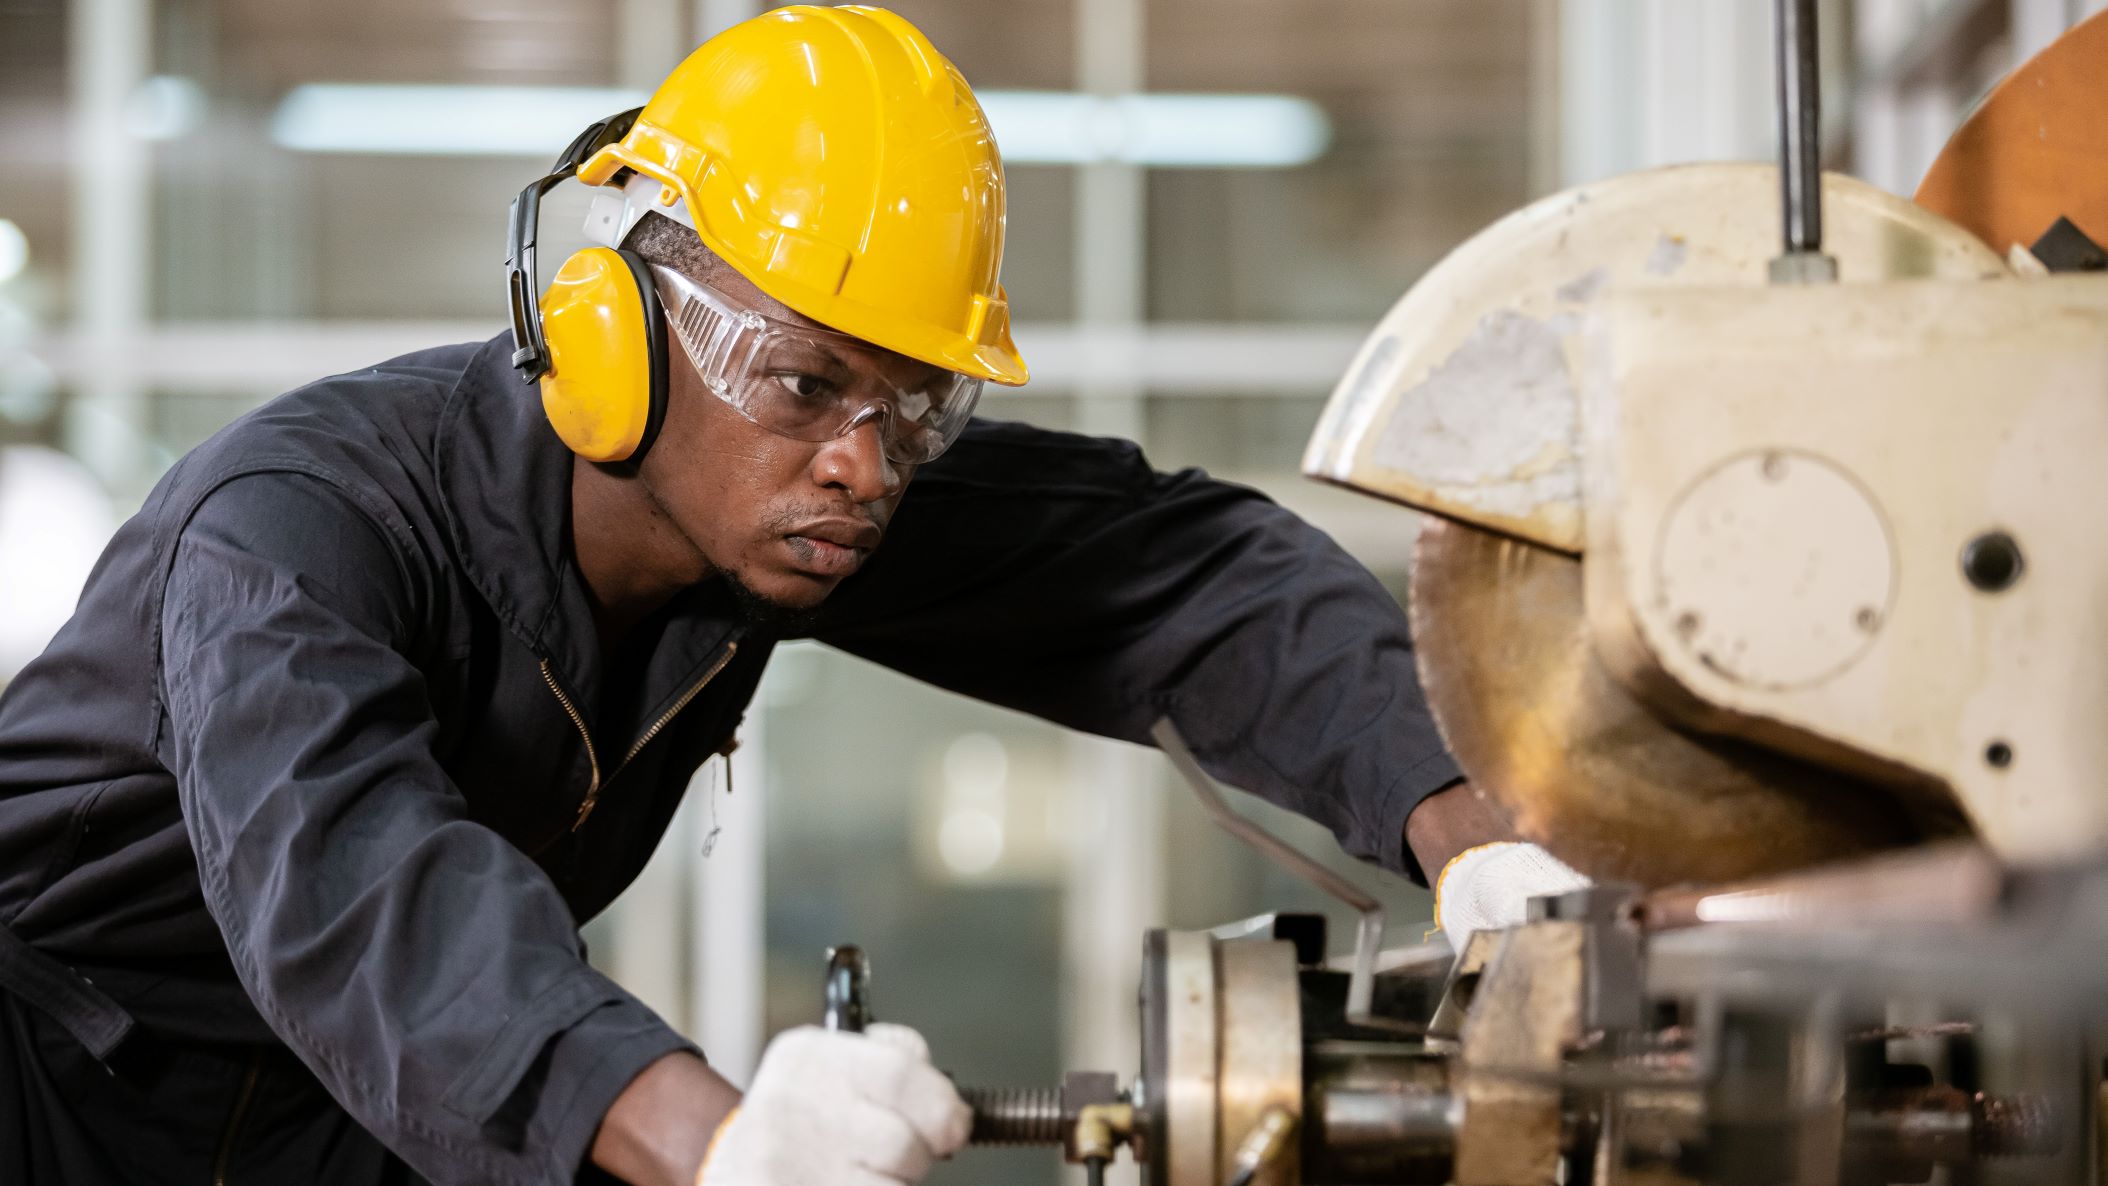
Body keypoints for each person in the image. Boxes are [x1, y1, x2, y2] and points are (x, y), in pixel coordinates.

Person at [0, 7, 1553, 1185]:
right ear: (612, 329)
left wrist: (1476, 831)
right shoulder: (292, 533)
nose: (867, 467)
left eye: (916, 408)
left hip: (347, 1122)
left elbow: (1176, 575)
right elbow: (362, 900)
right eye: (808, 378)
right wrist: (722, 1139)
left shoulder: (777, 490)